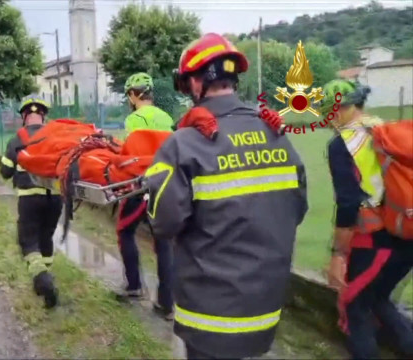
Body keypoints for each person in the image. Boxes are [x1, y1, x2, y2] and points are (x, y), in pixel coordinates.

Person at [145, 33, 309, 359]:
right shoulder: (276, 135)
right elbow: (298, 208)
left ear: (195, 83)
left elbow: (164, 224)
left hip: (210, 316)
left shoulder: (183, 144)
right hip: (264, 309)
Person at [321, 79, 413, 359]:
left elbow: (348, 204)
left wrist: (338, 255)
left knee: (355, 308)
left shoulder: (343, 144)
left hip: (376, 239)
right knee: (378, 299)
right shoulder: (383, 128)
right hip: (406, 231)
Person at [116, 72, 175, 321]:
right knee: (163, 242)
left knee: (124, 231)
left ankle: (134, 286)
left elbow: (132, 155)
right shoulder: (166, 117)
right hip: (168, 185)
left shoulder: (134, 119)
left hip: (141, 186)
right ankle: (166, 304)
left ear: (133, 94)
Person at [0, 96, 62, 309]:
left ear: (24, 116)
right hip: (55, 197)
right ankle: (45, 278)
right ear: (43, 116)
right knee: (46, 237)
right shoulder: (56, 137)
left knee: (28, 241)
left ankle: (43, 280)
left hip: (29, 198)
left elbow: (5, 171)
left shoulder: (17, 139)